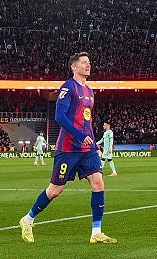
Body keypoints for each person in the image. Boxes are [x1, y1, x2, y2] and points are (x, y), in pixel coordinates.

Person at [19, 52, 116, 244]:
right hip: (68, 148)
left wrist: (93, 143)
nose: (88, 65)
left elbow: (86, 121)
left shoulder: (89, 91)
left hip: (87, 149)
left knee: (98, 182)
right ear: (74, 66)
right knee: (55, 190)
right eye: (84, 62)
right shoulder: (68, 87)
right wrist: (80, 136)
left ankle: (96, 232)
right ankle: (28, 219)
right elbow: (60, 116)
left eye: (89, 62)